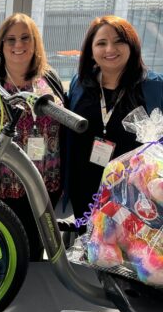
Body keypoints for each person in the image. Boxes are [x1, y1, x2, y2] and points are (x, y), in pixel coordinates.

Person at [0, 13, 65, 261]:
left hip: (45, 184)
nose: (18, 45)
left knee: (36, 250)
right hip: (6, 188)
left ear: (35, 42)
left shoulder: (49, 78)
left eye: (25, 38)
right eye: (11, 40)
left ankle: (33, 294)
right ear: (1, 44)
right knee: (5, 251)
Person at [67, 15, 163, 223]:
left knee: (124, 251)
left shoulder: (154, 87)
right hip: (85, 186)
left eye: (119, 41)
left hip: (135, 195)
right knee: (87, 244)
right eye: (101, 43)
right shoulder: (81, 84)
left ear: (132, 46)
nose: (110, 49)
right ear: (91, 51)